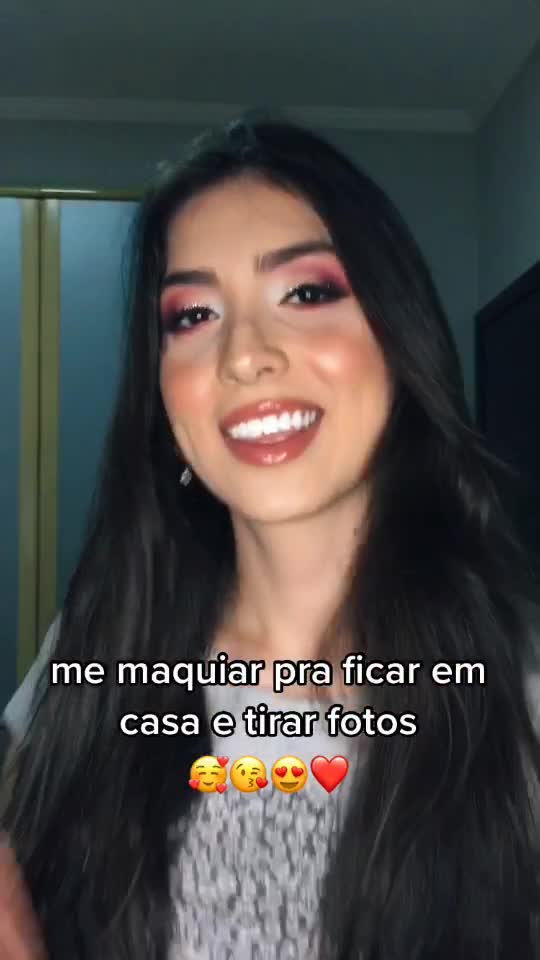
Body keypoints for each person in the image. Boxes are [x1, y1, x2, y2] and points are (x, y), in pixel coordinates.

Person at [1, 112, 540, 960]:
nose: (245, 356)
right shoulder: (97, 647)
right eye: (193, 315)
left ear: (400, 337)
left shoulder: (518, 689)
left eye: (307, 294)